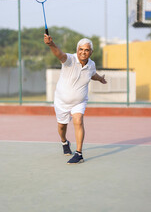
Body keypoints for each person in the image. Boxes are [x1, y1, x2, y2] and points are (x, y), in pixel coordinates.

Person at [44, 34, 107, 164]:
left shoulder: (91, 65)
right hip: (61, 101)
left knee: (78, 120)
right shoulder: (70, 59)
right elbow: (59, 54)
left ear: (91, 52)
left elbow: (92, 74)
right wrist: (51, 44)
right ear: (77, 50)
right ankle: (64, 141)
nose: (83, 52)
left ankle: (79, 154)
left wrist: (100, 78)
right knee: (62, 126)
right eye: (81, 49)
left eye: (86, 50)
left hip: (79, 101)